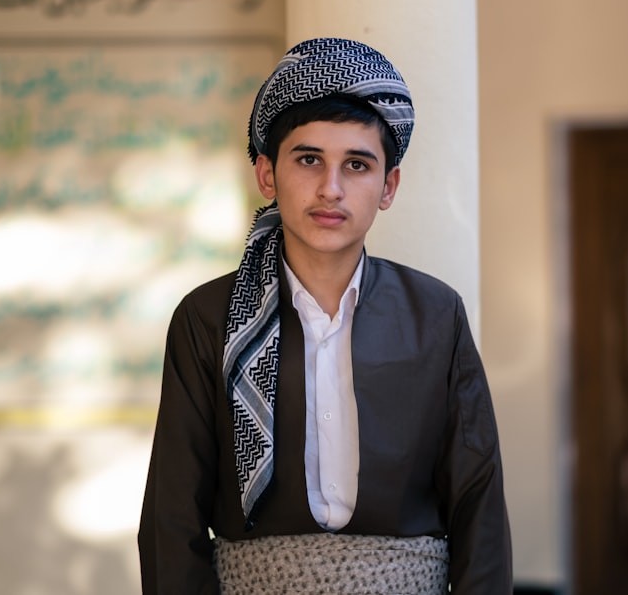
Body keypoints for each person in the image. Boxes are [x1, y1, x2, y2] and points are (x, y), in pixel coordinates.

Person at [139, 37, 512, 594]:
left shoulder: (435, 314)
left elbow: (478, 507)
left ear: (388, 186)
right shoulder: (207, 318)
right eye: (308, 159)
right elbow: (173, 519)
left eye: (357, 165)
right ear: (267, 174)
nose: (330, 189)